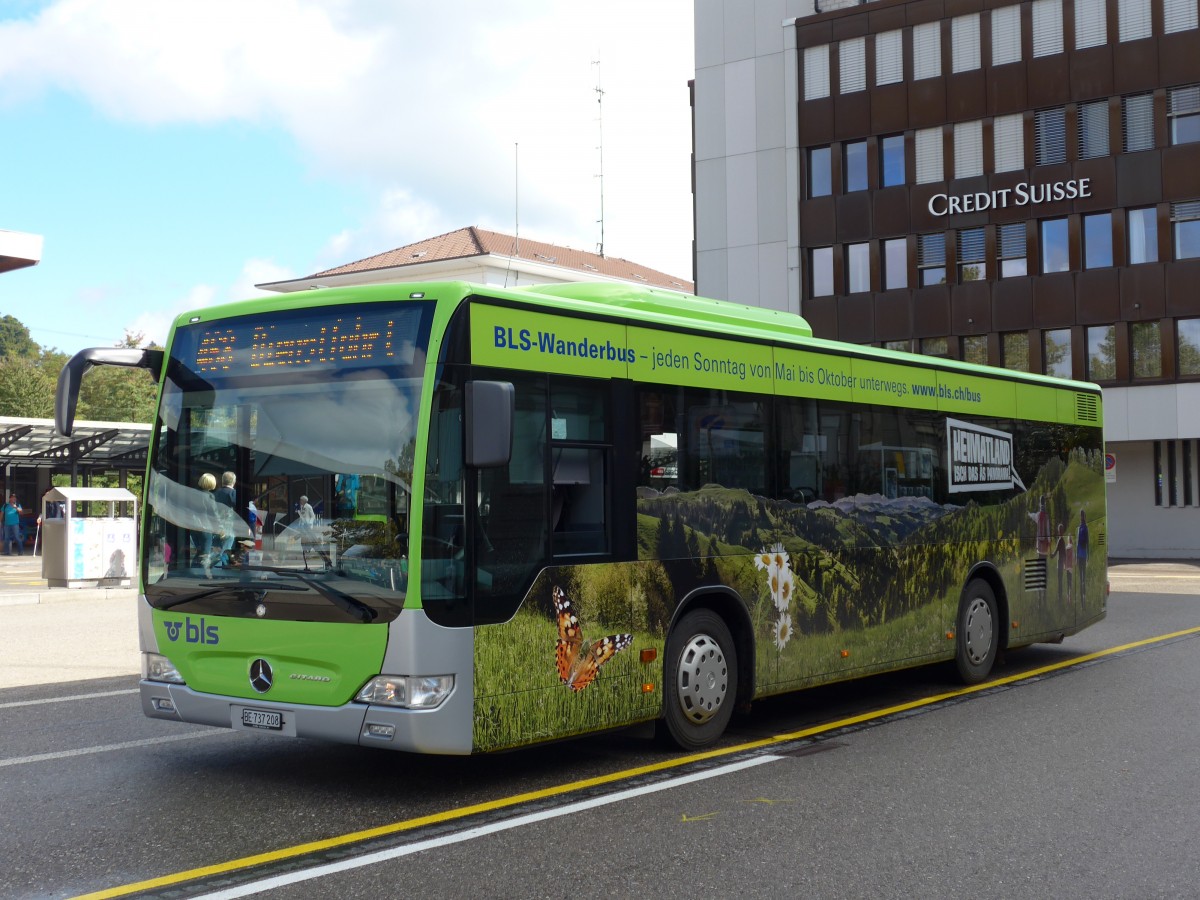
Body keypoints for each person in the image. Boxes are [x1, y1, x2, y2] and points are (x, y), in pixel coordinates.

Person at [213, 472, 238, 565]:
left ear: (222, 481)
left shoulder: (215, 494)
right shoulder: (233, 494)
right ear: (234, 482)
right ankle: (221, 572)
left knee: (216, 552)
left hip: (215, 527)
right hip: (229, 528)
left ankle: (214, 571)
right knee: (225, 552)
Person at [1076, 509, 1090, 606]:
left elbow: (1077, 544)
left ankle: (1082, 599)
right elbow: (1088, 543)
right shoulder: (1085, 527)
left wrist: (1077, 557)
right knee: (1083, 578)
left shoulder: (1080, 528)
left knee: (1081, 578)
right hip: (1083, 555)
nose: (1081, 517)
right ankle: (1083, 599)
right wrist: (1088, 556)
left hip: (1081, 555)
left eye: (1081, 516)